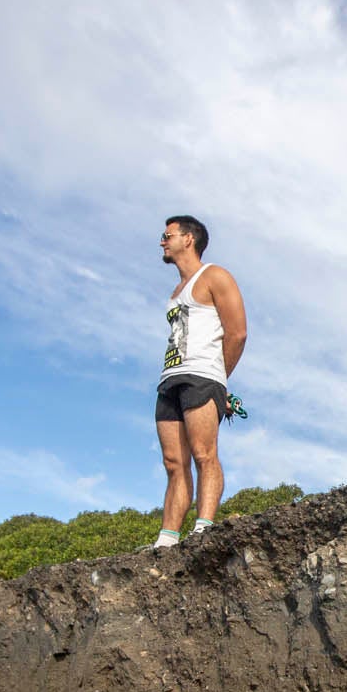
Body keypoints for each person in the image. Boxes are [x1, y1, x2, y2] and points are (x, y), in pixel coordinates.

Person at [153, 214, 247, 547]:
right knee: (173, 462)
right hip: (171, 377)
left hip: (204, 376)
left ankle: (204, 528)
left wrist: (220, 378)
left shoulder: (215, 276)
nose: (162, 241)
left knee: (204, 454)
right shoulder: (176, 291)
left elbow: (237, 332)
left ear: (188, 239)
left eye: (167, 235)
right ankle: (167, 538)